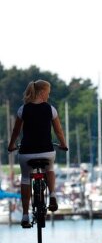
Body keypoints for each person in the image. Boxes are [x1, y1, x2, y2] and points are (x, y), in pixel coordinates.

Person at [7, 80, 68, 228]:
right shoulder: (50, 109)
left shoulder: (23, 109)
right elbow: (58, 130)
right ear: (42, 92)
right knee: (50, 169)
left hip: (26, 153)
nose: (49, 95)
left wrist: (11, 145)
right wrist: (63, 144)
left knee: (26, 178)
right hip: (47, 151)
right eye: (48, 92)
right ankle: (52, 195)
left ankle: (25, 216)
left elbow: (16, 131)